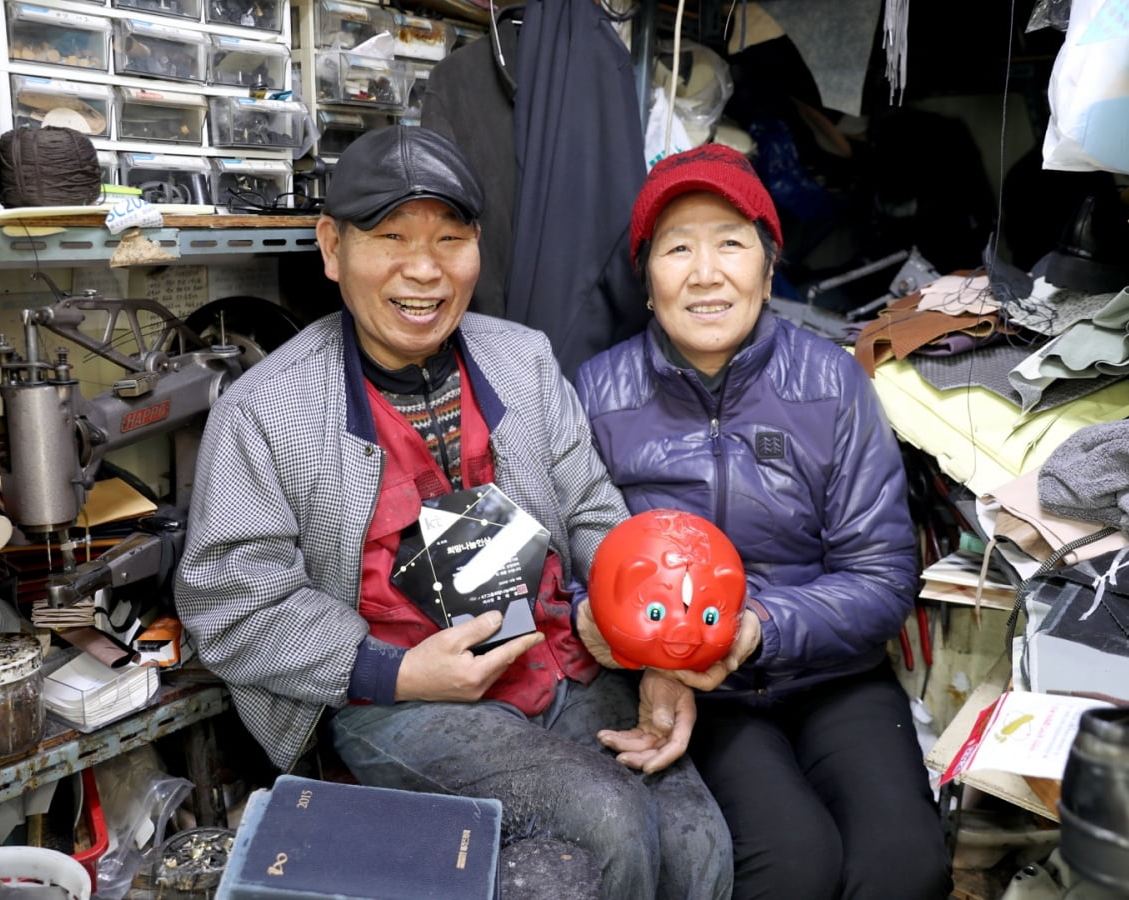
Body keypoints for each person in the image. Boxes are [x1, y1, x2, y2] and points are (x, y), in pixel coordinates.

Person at [174, 125, 733, 900]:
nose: (424, 268)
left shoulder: (523, 361)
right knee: (606, 821)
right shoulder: (265, 411)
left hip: (556, 658)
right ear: (332, 248)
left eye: (449, 237)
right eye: (391, 237)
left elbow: (595, 511)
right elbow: (234, 602)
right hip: (395, 696)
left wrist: (645, 642)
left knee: (697, 839)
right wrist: (395, 670)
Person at [573, 143, 954, 900]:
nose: (706, 273)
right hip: (690, 687)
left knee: (903, 868)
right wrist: (630, 638)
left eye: (731, 243)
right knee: (792, 863)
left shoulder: (831, 381)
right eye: (678, 248)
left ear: (767, 268)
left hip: (831, 674)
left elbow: (881, 577)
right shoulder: (596, 393)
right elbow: (574, 561)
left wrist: (754, 628)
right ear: (647, 279)